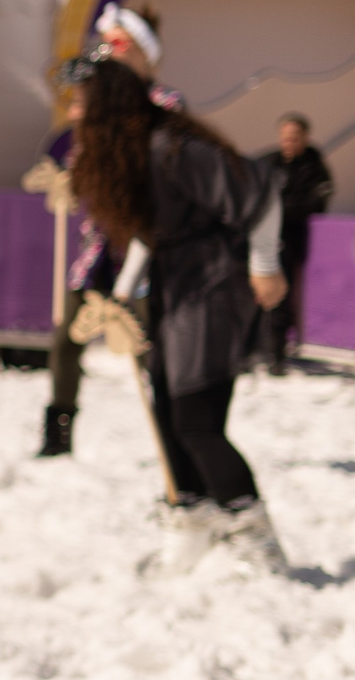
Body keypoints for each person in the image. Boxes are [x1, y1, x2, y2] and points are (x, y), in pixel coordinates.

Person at [68, 55, 288, 571]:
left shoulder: (173, 149)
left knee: (196, 419)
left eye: (81, 103)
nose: (74, 114)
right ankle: (193, 517)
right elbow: (150, 230)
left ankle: (254, 532)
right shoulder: (133, 154)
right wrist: (119, 297)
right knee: (165, 411)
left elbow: (260, 195)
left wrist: (265, 265)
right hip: (173, 285)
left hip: (214, 282)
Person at [29, 3, 166, 457]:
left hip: (147, 246)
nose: (109, 51)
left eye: (120, 44)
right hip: (99, 246)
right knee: (67, 337)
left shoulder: (163, 108)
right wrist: (71, 180)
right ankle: (58, 430)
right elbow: (82, 158)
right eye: (105, 43)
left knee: (148, 349)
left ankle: (172, 437)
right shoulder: (94, 106)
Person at [263, 112, 334, 373]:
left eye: (294, 137)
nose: (289, 142)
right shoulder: (268, 162)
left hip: (293, 243)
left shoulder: (314, 168)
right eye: (285, 137)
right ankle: (256, 349)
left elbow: (316, 204)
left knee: (282, 296)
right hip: (264, 242)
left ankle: (277, 354)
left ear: (304, 138)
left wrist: (280, 212)